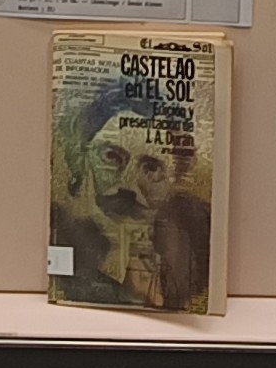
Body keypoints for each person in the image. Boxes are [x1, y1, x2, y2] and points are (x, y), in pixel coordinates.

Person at [50, 79, 212, 310]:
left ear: (176, 177)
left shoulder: (194, 257)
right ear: (84, 157)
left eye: (151, 167)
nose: (127, 185)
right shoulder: (61, 237)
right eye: (111, 156)